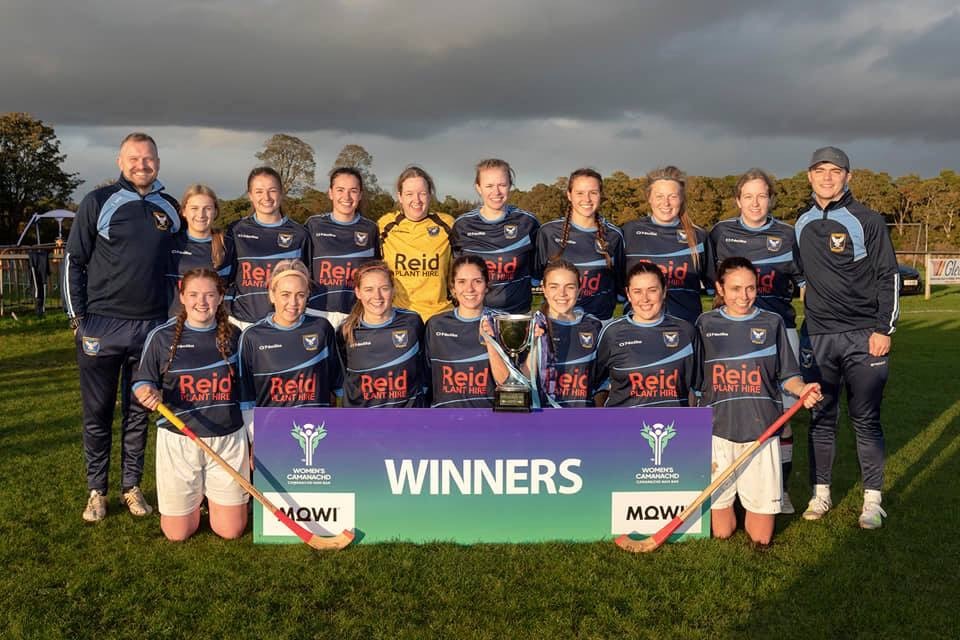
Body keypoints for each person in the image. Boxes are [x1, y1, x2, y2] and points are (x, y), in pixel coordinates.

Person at [63, 132, 180, 522]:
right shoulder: (98, 202)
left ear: (158, 164)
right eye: (134, 159)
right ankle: (97, 491)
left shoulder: (170, 207)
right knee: (97, 412)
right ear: (119, 161)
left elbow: (179, 268)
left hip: (150, 329)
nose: (141, 165)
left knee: (137, 412)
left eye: (148, 159)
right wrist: (77, 319)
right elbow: (73, 262)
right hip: (102, 325)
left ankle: (131, 487)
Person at [793, 146, 899, 529]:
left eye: (834, 171)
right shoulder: (801, 222)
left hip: (863, 336)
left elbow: (889, 275)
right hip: (818, 336)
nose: (827, 177)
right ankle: (820, 494)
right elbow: (798, 271)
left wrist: (883, 329)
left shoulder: (867, 220)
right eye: (819, 170)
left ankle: (873, 500)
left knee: (865, 419)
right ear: (809, 176)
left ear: (847, 176)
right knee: (821, 416)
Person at [697, 257, 821, 545]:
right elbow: (695, 380)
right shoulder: (705, 324)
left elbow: (788, 376)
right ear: (720, 288)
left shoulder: (772, 322)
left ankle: (751, 499)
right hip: (718, 431)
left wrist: (802, 389)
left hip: (761, 431)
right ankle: (732, 501)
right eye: (736, 288)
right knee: (722, 532)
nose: (744, 296)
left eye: (750, 288)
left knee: (761, 537)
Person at [708, 168, 804, 513]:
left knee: (782, 412)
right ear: (738, 200)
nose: (755, 202)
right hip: (732, 333)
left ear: (771, 198)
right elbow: (713, 282)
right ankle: (727, 489)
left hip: (777, 332)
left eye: (761, 195)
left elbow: (805, 282)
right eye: (747, 196)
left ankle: (781, 486)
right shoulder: (720, 233)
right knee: (731, 408)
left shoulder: (789, 234)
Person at [133, 268, 248, 541]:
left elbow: (246, 391)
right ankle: (200, 498)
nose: (202, 302)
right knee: (177, 533)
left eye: (210, 295)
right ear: (182, 297)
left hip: (228, 438)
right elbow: (142, 382)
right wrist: (146, 392)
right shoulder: (161, 337)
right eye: (194, 294)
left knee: (230, 531)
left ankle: (214, 499)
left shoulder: (236, 336)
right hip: (179, 439)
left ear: (221, 297)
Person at [238, 259, 341, 443]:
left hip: (318, 433)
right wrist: (255, 441)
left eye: (300, 295)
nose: (293, 302)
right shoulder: (252, 336)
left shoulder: (322, 328)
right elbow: (247, 400)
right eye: (285, 294)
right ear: (272, 294)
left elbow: (339, 386)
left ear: (308, 295)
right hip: (272, 436)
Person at [595, 261, 699, 407]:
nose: (645, 298)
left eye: (652, 290)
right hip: (622, 426)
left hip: (672, 427)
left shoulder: (686, 331)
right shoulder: (612, 333)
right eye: (637, 291)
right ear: (628, 294)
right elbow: (596, 383)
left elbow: (698, 387)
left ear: (663, 292)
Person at [621, 166, 712, 324]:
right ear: (649, 198)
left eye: (673, 196)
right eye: (659, 196)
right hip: (639, 328)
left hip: (686, 328)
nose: (666, 203)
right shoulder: (629, 232)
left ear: (682, 198)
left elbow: (713, 287)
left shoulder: (699, 236)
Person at [451, 159, 540, 313]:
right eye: (489, 186)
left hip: (517, 316)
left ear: (510, 186)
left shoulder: (528, 223)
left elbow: (537, 267)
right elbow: (457, 271)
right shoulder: (463, 225)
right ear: (478, 187)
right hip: (475, 315)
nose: (496, 192)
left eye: (502, 185)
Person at [226, 167, 310, 329]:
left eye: (272, 190)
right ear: (250, 195)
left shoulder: (300, 234)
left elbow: (305, 280)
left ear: (281, 193)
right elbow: (225, 277)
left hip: (284, 322)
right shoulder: (237, 230)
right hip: (242, 321)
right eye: (259, 191)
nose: (266, 197)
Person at [335, 261, 427, 407]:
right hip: (363, 419)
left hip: (408, 418)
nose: (377, 296)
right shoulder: (346, 330)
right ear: (358, 292)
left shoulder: (412, 322)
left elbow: (424, 367)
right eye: (369, 289)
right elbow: (342, 378)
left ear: (393, 290)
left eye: (384, 288)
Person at [535, 168, 624, 320]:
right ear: (569, 195)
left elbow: (620, 285)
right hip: (556, 322)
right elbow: (537, 276)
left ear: (600, 195)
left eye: (593, 192)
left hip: (599, 323)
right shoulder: (548, 232)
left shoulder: (614, 235)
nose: (587, 199)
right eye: (580, 193)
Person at [425, 255, 509, 408]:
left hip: (491, 420)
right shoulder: (435, 325)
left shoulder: (503, 322)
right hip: (445, 420)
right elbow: (425, 379)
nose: (469, 289)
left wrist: (491, 342)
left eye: (477, 281)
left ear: (487, 286)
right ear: (452, 288)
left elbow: (511, 383)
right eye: (462, 282)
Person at [378, 166, 454, 322]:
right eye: (409, 194)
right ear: (400, 196)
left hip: (439, 317)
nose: (417, 200)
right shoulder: (385, 226)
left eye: (422, 193)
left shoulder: (447, 225)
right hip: (399, 317)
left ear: (430, 195)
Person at [305, 167, 380, 314]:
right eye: (340, 190)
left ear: (360, 195)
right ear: (330, 193)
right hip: (318, 311)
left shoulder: (371, 229)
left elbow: (375, 273)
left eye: (353, 191)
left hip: (357, 313)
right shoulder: (313, 225)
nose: (347, 197)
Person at [531, 260, 602, 407]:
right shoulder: (531, 326)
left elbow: (602, 379)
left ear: (579, 288)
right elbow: (521, 381)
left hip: (581, 421)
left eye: (569, 287)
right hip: (540, 421)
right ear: (543, 289)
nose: (562, 294)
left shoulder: (594, 326)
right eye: (554, 287)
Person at [165, 184, 235, 318]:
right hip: (174, 324)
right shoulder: (170, 243)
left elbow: (232, 287)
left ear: (215, 211)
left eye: (207, 208)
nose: (201, 214)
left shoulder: (227, 245)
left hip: (213, 326)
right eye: (194, 208)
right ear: (184, 211)